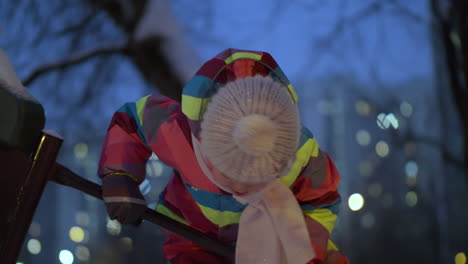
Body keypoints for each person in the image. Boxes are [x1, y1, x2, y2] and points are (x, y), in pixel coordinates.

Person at [98, 48, 349, 264]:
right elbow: (132, 120)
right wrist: (120, 174)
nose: (246, 187)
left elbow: (321, 201)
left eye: (265, 173)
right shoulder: (178, 133)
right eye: (234, 171)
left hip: (276, 228)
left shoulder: (302, 153)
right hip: (193, 232)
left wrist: (299, 249)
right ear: (206, 146)